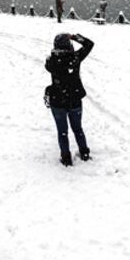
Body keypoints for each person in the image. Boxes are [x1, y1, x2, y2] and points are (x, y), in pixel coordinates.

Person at [45, 32, 94, 166]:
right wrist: (75, 37)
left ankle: (66, 157)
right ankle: (84, 153)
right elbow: (89, 44)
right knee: (78, 129)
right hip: (74, 98)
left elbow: (49, 64)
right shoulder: (75, 58)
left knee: (62, 131)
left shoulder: (51, 61)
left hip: (57, 100)